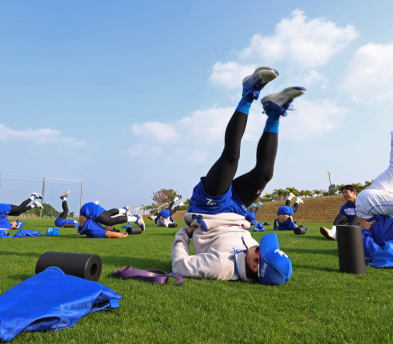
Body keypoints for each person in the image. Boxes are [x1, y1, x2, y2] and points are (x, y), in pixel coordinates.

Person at [171, 66, 296, 285]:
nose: (257, 246)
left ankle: (248, 94)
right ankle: (273, 113)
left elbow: (180, 266)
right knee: (265, 174)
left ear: (254, 266)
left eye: (260, 250)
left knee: (231, 158)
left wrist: (184, 233)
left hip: (208, 210)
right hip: (237, 212)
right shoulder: (254, 258)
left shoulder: (221, 267)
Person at [77, 201, 145, 239]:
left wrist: (120, 234)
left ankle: (130, 214)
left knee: (108, 219)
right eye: (112, 228)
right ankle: (130, 214)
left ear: (108, 230)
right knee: (108, 218)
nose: (109, 227)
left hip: (88, 210)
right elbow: (113, 234)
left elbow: (111, 234)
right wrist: (122, 235)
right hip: (88, 210)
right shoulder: (99, 230)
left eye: (111, 228)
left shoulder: (99, 231)